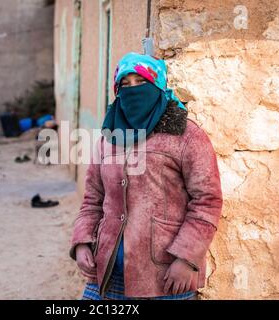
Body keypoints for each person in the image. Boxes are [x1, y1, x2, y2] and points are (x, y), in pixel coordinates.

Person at [69, 52, 223, 300]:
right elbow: (92, 199)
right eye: (125, 84)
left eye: (141, 82)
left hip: (165, 276)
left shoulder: (187, 136)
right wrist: (82, 242)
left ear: (158, 85)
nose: (133, 90)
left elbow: (207, 201)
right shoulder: (108, 139)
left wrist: (187, 258)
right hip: (107, 271)